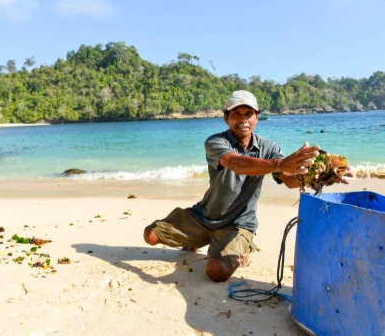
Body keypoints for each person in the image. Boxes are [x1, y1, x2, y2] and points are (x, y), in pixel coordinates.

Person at [143, 90, 351, 282]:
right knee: (150, 235)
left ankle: (241, 250)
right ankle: (204, 239)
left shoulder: (269, 148)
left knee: (215, 271)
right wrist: (279, 163)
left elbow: (288, 179)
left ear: (257, 117)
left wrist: (325, 174)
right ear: (226, 117)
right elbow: (236, 164)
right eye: (237, 113)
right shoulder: (215, 142)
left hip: (238, 223)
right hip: (204, 216)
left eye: (248, 113)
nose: (243, 119)